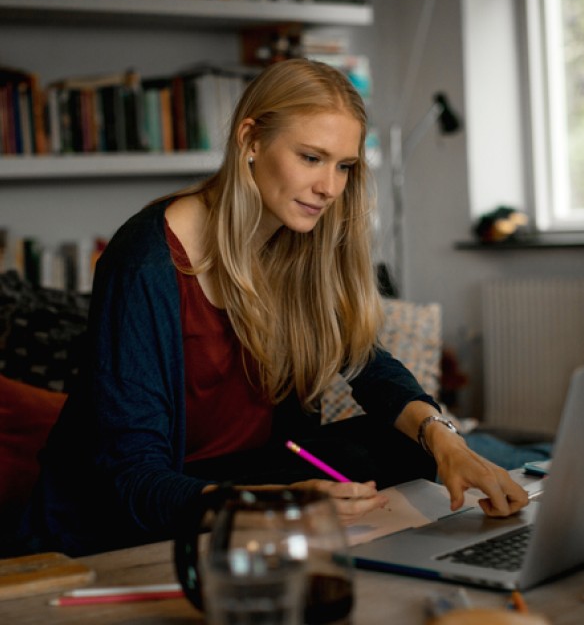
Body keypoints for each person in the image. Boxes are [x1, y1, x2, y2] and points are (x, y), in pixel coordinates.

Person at [18, 58, 528, 558]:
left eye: (344, 166)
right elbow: (133, 477)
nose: (329, 187)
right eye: (311, 157)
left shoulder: (296, 239)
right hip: (141, 504)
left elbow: (367, 365)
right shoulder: (145, 264)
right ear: (250, 141)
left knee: (405, 441)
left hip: (250, 471)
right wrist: (273, 505)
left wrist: (448, 442)